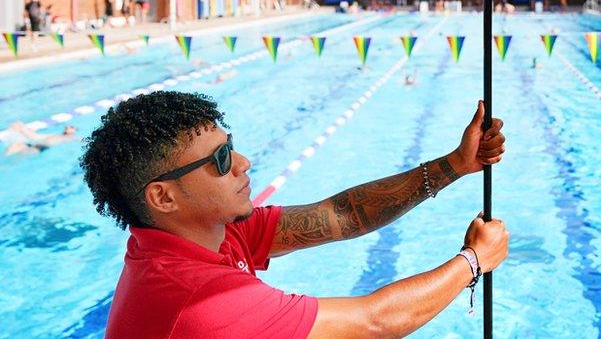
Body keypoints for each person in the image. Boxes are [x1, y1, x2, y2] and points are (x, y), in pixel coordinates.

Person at [79, 92, 508, 339]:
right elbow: (374, 323)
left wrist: (454, 165)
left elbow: (341, 215)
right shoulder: (200, 302)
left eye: (231, 145)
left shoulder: (206, 233)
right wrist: (473, 260)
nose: (243, 162)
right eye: (221, 158)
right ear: (164, 197)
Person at [4, 122, 78, 156]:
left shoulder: (71, 138)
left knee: (17, 157)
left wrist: (23, 129)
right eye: (67, 126)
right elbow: (37, 137)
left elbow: (35, 137)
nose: (68, 127)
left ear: (74, 131)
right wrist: (23, 129)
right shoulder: (55, 135)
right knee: (16, 145)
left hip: (41, 148)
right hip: (36, 145)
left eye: (71, 127)